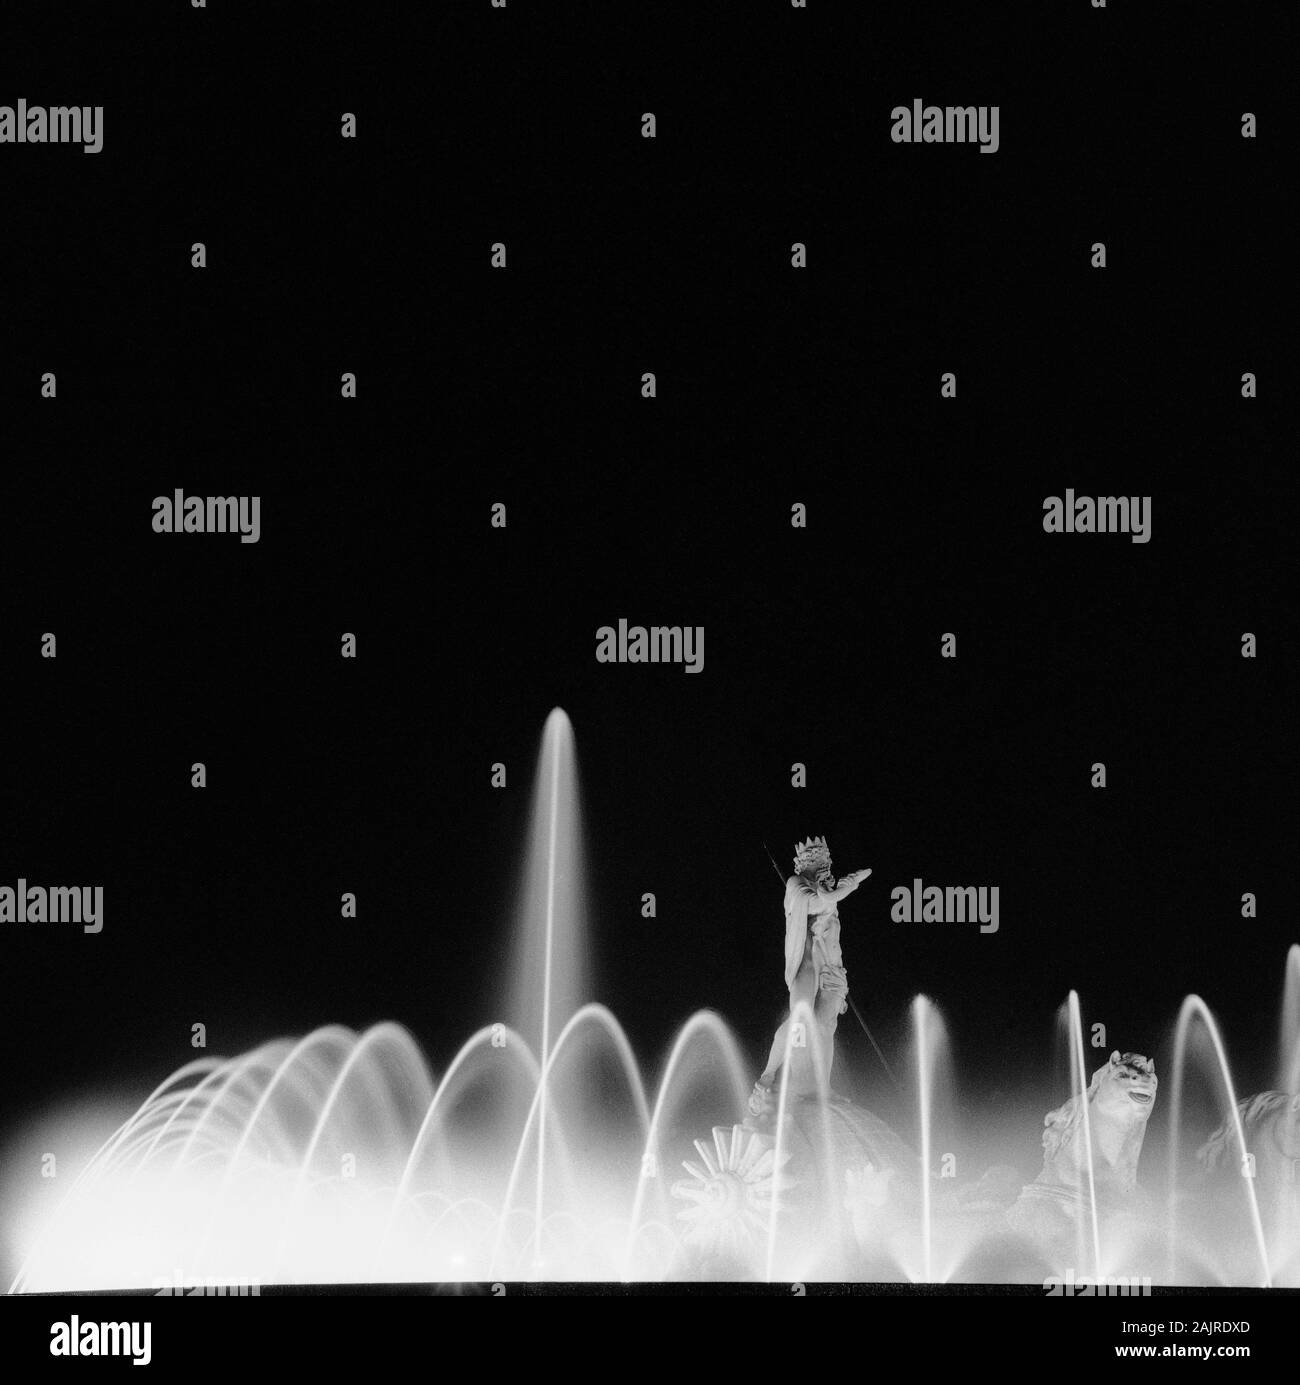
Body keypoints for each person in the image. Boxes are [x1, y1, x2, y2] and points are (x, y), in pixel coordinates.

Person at [752, 837, 871, 1108]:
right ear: (809, 861)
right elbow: (819, 904)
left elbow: (827, 902)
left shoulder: (824, 886)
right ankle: (769, 1075)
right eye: (822, 860)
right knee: (800, 1020)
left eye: (827, 860)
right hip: (807, 964)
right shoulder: (797, 885)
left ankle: (821, 1087)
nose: (828, 864)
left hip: (832, 965)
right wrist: (850, 883)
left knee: (826, 1026)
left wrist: (840, 887)